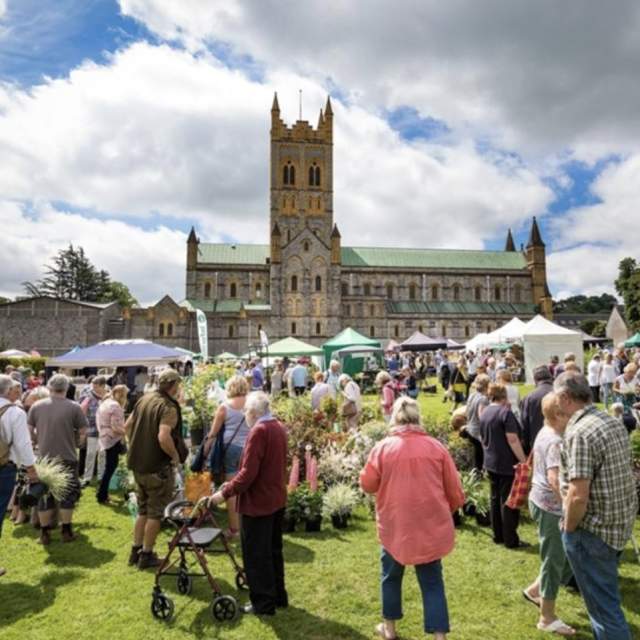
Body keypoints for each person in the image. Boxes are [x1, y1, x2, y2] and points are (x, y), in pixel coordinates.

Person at [360, 396, 465, 640]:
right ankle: (440, 636)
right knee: (432, 582)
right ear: (418, 417)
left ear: (394, 417)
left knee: (390, 576)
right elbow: (455, 491)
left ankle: (389, 629)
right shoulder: (435, 446)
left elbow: (367, 483)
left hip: (395, 524)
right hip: (428, 523)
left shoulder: (384, 447)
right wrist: (445, 511)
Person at [555, 372, 638, 640]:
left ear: (566, 397)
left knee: (604, 610)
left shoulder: (579, 432)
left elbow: (578, 495)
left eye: (558, 398)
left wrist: (568, 529)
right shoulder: (610, 421)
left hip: (593, 531)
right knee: (606, 598)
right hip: (617, 524)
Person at [208, 392, 288, 616]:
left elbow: (247, 473)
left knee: (256, 555)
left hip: (259, 502)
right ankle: (278, 596)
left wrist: (223, 493)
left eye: (246, 412)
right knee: (272, 552)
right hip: (275, 498)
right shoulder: (277, 427)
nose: (245, 415)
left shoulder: (259, 431)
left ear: (254, 412)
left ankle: (263, 603)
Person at [523, 393, 576, 636]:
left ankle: (535, 590)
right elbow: (555, 478)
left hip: (540, 501)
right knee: (555, 562)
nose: (574, 414)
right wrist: (568, 505)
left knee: (557, 557)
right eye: (569, 411)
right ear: (558, 415)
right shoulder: (555, 439)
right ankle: (547, 617)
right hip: (551, 507)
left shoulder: (544, 431)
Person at [125, 368, 187, 569]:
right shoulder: (168, 407)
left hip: (138, 465)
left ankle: (136, 550)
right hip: (157, 467)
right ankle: (147, 555)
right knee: (155, 514)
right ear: (174, 385)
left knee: (143, 509)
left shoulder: (145, 399)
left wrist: (135, 445)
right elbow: (163, 437)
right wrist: (175, 456)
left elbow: (127, 426)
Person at [28, 374, 87, 545]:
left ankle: (45, 533)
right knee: (67, 495)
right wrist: (76, 443)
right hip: (67, 456)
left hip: (44, 458)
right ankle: (66, 531)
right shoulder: (74, 407)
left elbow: (29, 429)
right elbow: (83, 432)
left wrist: (35, 442)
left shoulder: (37, 406)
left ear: (49, 387)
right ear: (66, 388)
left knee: (44, 496)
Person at [479, 383, 528, 549]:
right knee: (509, 502)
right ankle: (510, 539)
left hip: (490, 461)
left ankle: (498, 534)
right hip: (506, 463)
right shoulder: (505, 413)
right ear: (504, 395)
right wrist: (524, 460)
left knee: (495, 499)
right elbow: (513, 439)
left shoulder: (485, 412)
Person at [0, 375, 39, 577]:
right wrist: (31, 470)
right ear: (7, 391)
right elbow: (23, 444)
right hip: (4, 467)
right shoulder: (15, 412)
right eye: (14, 389)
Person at [204, 375, 251, 538]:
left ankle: (234, 529)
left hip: (230, 449)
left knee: (231, 489)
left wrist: (204, 453)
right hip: (250, 448)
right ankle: (249, 525)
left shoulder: (224, 407)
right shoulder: (252, 405)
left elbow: (212, 433)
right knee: (249, 485)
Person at [95, 384, 128, 504]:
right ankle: (102, 495)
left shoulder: (105, 403)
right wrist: (128, 432)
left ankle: (102, 494)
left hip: (105, 437)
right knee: (110, 468)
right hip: (112, 439)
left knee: (109, 467)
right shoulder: (116, 406)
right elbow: (115, 427)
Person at [80, 375, 108, 487]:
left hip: (105, 430)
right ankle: (87, 478)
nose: (93, 388)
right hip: (92, 429)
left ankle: (101, 477)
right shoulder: (88, 396)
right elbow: (82, 412)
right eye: (93, 385)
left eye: (96, 386)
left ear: (102, 386)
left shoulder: (108, 396)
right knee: (90, 454)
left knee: (102, 454)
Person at [520, 365, 554, 454]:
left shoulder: (529, 397)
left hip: (537, 443)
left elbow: (524, 424)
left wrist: (526, 449)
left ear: (535, 380)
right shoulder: (561, 393)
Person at [460, 374, 490, 474]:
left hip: (470, 428)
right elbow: (482, 417)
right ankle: (479, 474)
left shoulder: (472, 395)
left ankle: (476, 473)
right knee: (480, 457)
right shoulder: (483, 399)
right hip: (478, 432)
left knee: (477, 456)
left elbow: (467, 411)